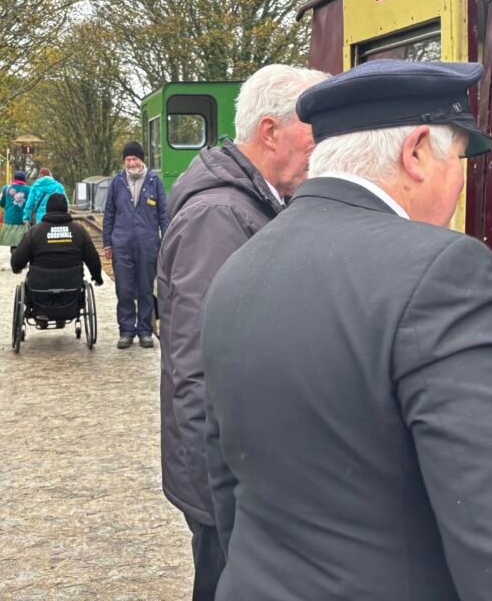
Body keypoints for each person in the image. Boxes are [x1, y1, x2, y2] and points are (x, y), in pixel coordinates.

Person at [201, 60, 492, 601]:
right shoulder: (443, 272)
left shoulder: (238, 268)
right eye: (459, 158)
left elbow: (226, 483)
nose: (461, 180)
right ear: (415, 153)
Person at [156, 64, 327, 601]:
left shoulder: (247, 203)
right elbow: (199, 367)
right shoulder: (220, 217)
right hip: (226, 485)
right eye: (313, 132)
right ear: (270, 131)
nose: (322, 148)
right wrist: (221, 498)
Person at [102, 141, 168, 349]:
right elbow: (109, 213)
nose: (131, 163)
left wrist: (166, 242)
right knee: (124, 289)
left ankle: (145, 331)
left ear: (142, 160)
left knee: (146, 288)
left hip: (147, 244)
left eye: (134, 159)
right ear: (124, 161)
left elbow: (164, 216)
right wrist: (107, 242)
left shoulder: (154, 181)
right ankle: (126, 331)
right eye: (128, 159)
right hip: (122, 243)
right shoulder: (117, 182)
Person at [11, 193, 104, 327]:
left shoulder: (35, 232)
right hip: (72, 287)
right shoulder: (79, 231)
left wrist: (16, 268)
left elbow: (17, 260)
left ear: (47, 209)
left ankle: (42, 313)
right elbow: (92, 258)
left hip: (39, 289)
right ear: (66, 209)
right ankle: (63, 314)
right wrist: (97, 277)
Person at [0, 170, 29, 252]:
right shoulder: (29, 189)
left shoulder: (6, 188)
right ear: (24, 179)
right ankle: (21, 260)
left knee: (13, 243)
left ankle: (14, 258)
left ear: (13, 178)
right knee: (22, 243)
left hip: (9, 220)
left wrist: (9, 206)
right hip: (24, 221)